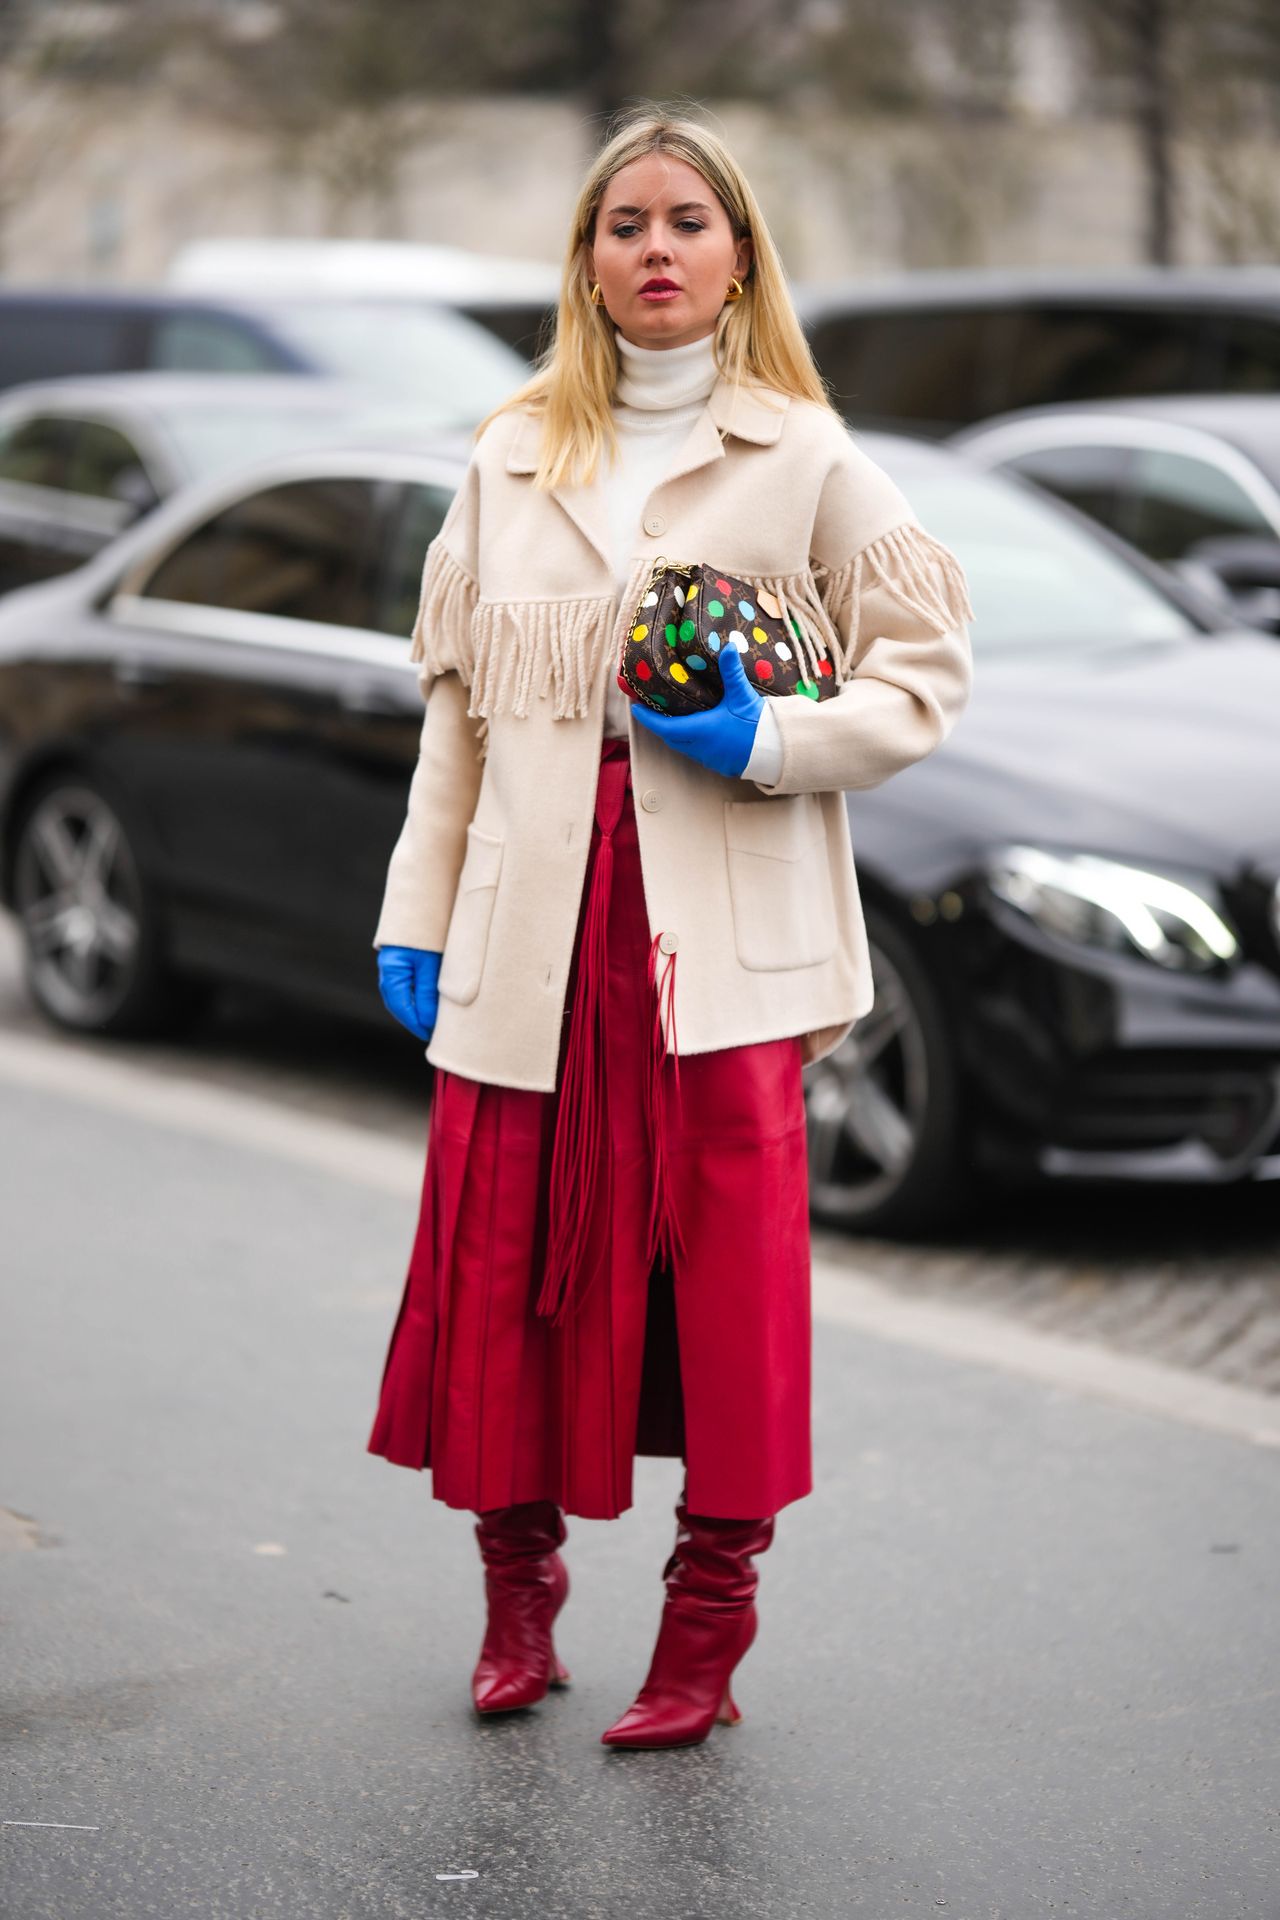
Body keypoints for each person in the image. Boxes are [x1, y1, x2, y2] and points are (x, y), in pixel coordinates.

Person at [367, 105, 975, 1751]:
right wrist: (417, 909)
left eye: (687, 220)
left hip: (720, 952)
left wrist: (769, 741)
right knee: (506, 1269)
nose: (654, 247)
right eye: (623, 221)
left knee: (726, 1291)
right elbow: (458, 721)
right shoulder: (507, 456)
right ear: (584, 258)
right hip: (531, 942)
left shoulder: (810, 455)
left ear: (738, 255)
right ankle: (518, 1603)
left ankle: (706, 1632)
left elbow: (925, 677)